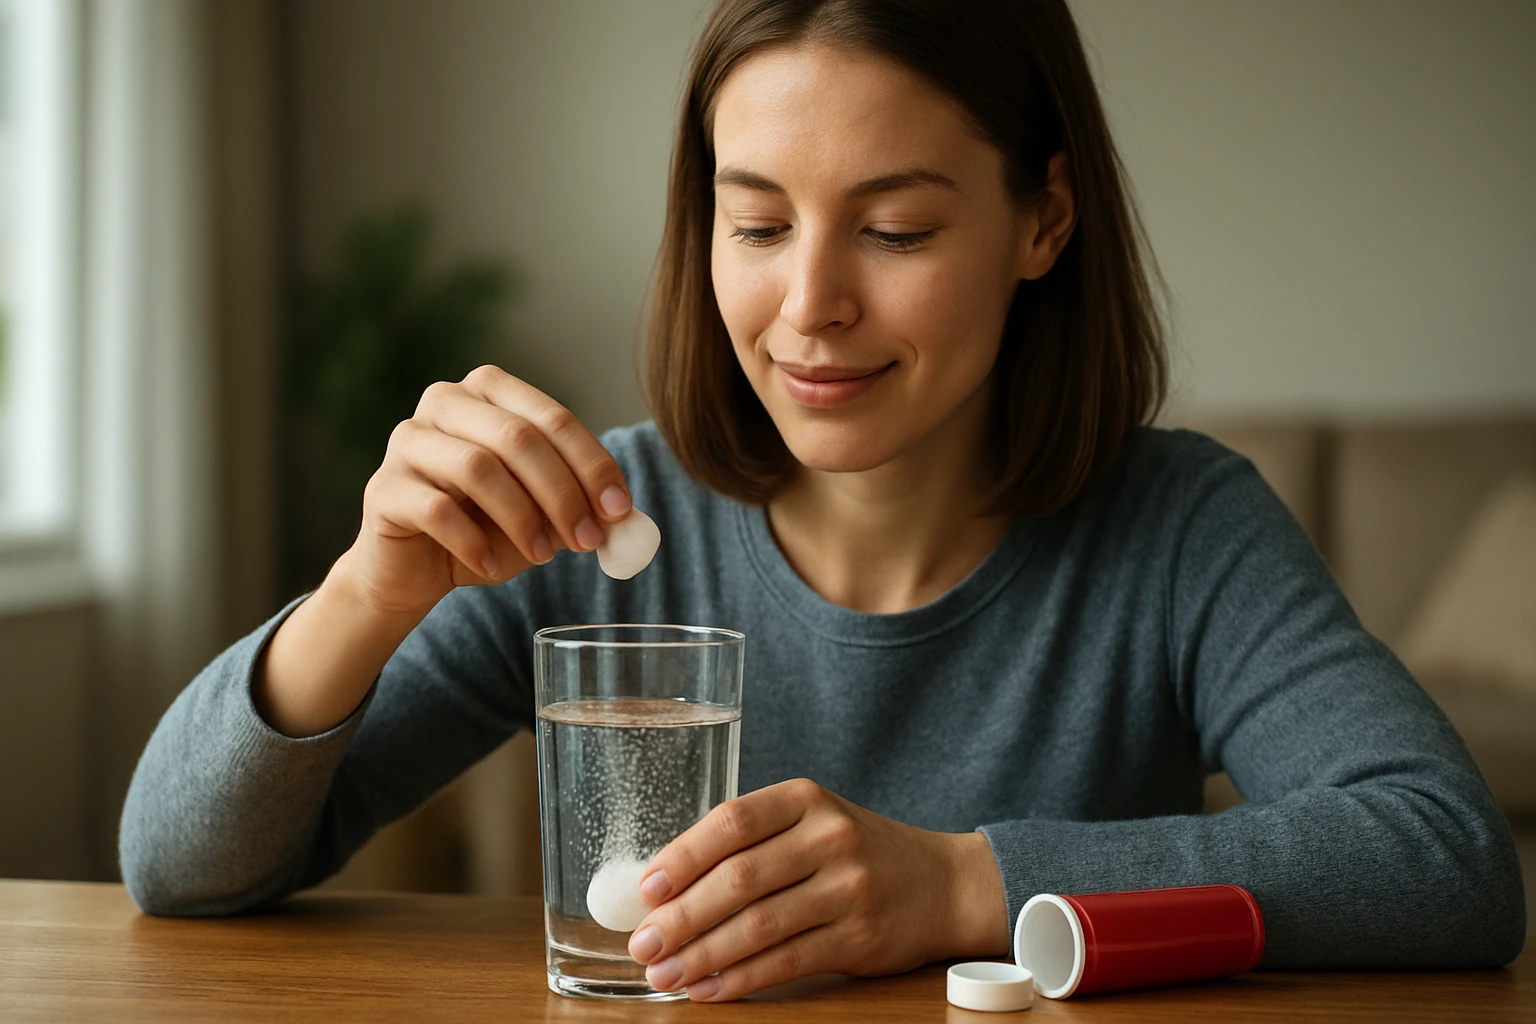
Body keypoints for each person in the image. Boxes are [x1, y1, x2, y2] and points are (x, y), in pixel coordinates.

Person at [120, 0, 1525, 1002]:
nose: (809, 306)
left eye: (895, 230)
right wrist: (367, 590)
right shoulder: (600, 532)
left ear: (1043, 219)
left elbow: (1448, 860)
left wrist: (961, 886)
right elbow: (174, 869)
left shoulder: (1182, 530)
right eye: (757, 223)